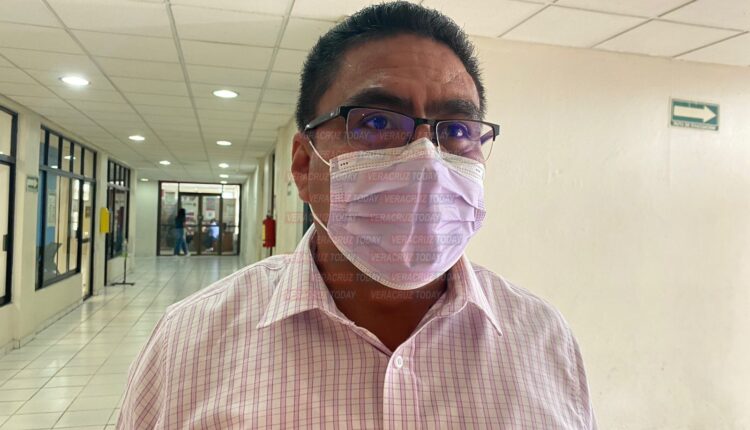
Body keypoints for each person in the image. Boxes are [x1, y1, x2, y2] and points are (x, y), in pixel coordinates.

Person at [118, 2, 597, 429]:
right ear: (304, 166)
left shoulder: (543, 339)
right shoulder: (190, 341)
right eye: (377, 122)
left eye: (456, 130)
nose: (426, 159)